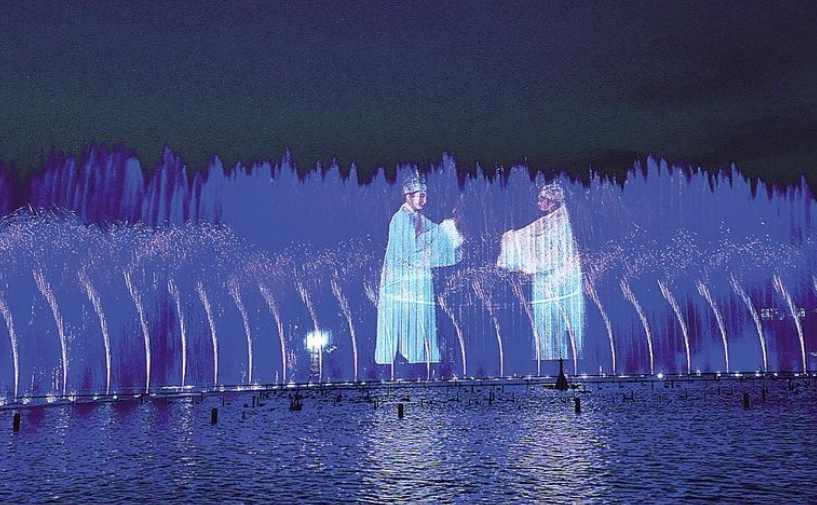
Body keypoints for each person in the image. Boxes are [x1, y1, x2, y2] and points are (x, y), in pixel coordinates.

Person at [375, 173, 463, 366]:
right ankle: (403, 362)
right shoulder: (400, 219)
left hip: (418, 279)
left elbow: (438, 234)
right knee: (407, 321)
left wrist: (452, 232)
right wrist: (434, 245)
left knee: (421, 321)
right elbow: (408, 252)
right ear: (408, 196)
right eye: (420, 196)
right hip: (403, 282)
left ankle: (421, 361)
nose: (424, 200)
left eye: (425, 195)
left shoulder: (419, 218)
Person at [496, 182, 584, 363]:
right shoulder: (551, 221)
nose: (538, 203)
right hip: (550, 280)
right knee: (549, 323)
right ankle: (554, 359)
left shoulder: (560, 222)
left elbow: (549, 248)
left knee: (555, 321)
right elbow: (527, 235)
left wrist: (510, 241)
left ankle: (560, 360)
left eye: (542, 199)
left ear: (552, 202)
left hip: (556, 279)